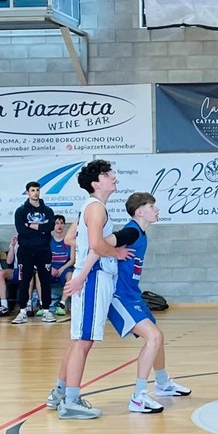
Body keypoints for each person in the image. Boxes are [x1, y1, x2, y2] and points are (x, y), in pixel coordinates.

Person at [68, 192, 192, 414]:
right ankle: (138, 396)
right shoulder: (131, 231)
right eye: (152, 206)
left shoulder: (141, 233)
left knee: (158, 337)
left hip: (133, 295)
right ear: (139, 211)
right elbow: (98, 247)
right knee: (154, 338)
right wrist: (81, 277)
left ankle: (162, 383)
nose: (157, 209)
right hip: (120, 297)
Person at [44, 160, 132, 419]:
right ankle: (71, 401)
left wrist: (81, 266)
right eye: (107, 174)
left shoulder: (90, 207)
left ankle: (59, 393)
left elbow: (71, 238)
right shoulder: (96, 208)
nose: (113, 176)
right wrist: (116, 252)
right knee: (84, 341)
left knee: (79, 340)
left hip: (89, 276)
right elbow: (96, 244)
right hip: (93, 277)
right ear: (96, 183)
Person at [11, 181, 56, 324]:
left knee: (45, 281)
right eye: (32, 190)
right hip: (26, 250)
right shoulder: (21, 211)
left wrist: (30, 225)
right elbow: (21, 230)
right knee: (24, 281)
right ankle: (22, 311)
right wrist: (41, 228)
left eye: (37, 190)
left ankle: (47, 311)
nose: (35, 193)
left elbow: (50, 227)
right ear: (27, 192)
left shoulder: (48, 211)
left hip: (44, 250)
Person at [45, 214, 75, 318]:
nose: (59, 225)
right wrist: (51, 268)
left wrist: (62, 268)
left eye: (61, 223)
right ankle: (42, 304)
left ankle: (62, 304)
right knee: (39, 275)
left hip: (64, 268)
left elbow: (72, 259)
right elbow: (44, 258)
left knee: (70, 275)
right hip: (51, 268)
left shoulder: (69, 240)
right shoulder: (48, 240)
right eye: (57, 223)